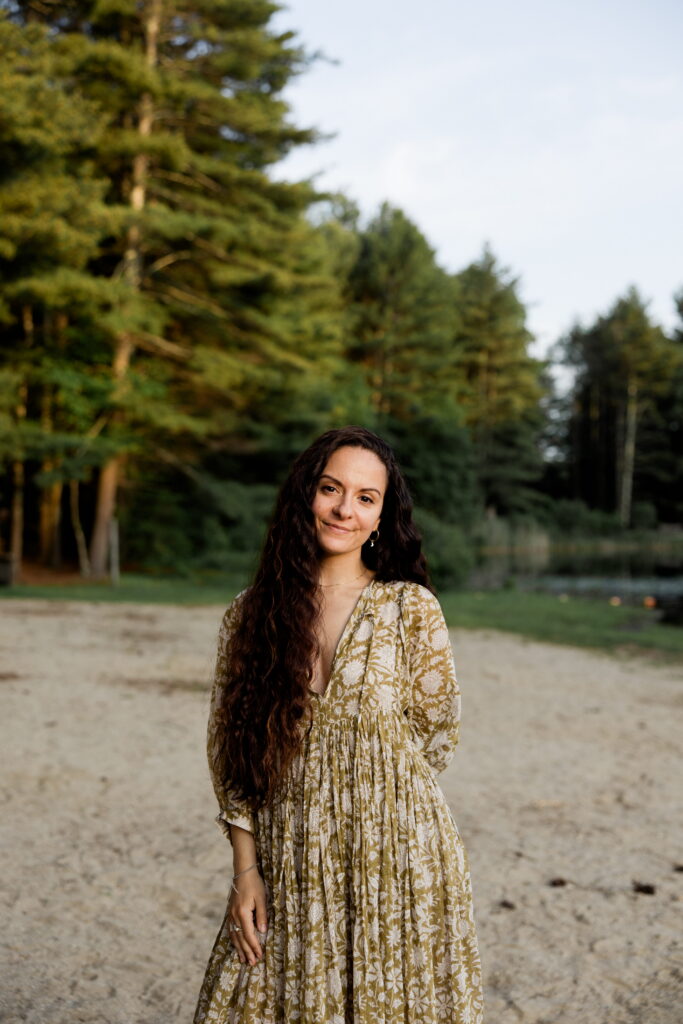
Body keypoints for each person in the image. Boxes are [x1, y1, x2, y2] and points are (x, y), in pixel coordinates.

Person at [193, 425, 484, 1023]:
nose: (345, 509)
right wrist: (245, 871)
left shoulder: (411, 609)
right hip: (291, 850)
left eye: (365, 497)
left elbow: (435, 736)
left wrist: (370, 789)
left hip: (398, 856)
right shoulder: (248, 617)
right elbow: (230, 754)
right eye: (331, 489)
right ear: (306, 494)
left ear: (381, 517)